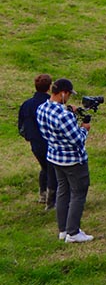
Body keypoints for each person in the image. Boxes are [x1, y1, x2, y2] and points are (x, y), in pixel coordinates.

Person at [36, 78, 93, 243]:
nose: (68, 98)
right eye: (68, 95)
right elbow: (77, 139)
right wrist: (84, 129)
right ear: (62, 93)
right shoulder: (64, 115)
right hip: (73, 160)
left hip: (55, 157)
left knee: (62, 191)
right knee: (78, 193)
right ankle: (73, 232)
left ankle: (63, 229)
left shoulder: (42, 108)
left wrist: (69, 110)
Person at [18, 74, 57, 209]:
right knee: (52, 170)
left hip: (35, 144)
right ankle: (52, 200)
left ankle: (43, 193)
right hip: (50, 142)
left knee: (44, 168)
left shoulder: (26, 105)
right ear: (50, 87)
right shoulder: (51, 104)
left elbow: (21, 127)